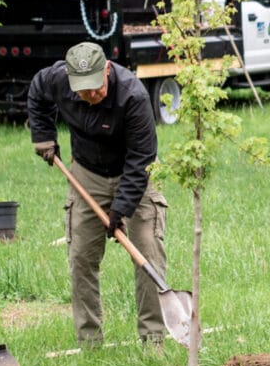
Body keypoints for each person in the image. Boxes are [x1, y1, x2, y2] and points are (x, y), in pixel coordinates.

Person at [27, 42, 168, 345]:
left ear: (107, 69)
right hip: (87, 173)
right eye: (83, 90)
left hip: (135, 174)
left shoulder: (133, 96)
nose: (91, 95)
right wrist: (43, 136)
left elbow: (141, 159)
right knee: (81, 257)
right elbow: (37, 91)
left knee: (148, 254)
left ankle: (154, 338)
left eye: (96, 87)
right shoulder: (57, 79)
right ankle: (89, 342)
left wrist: (121, 209)